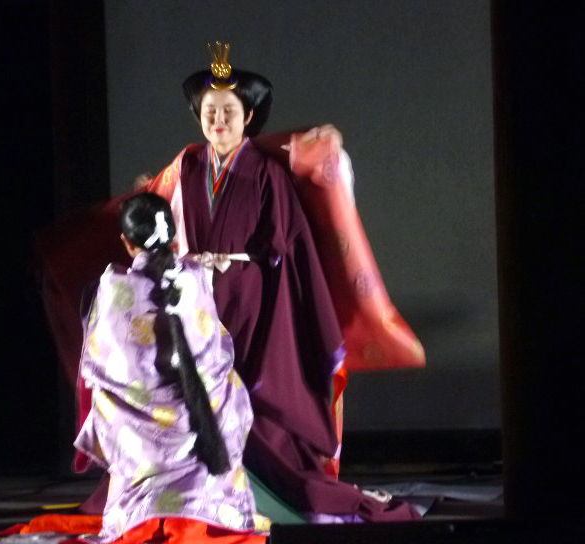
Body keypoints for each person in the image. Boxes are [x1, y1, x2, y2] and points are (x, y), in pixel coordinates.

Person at [35, 43, 423, 524]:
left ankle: (256, 487)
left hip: (252, 299)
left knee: (249, 394)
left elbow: (283, 242)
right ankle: (190, 488)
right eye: (210, 113)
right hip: (194, 298)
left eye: (228, 112)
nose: (218, 121)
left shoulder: (265, 172)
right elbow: (153, 216)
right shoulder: (188, 165)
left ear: (249, 117)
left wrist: (235, 264)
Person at [74, 192, 266, 543]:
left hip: (141, 439)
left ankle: (137, 511)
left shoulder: (114, 285)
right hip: (205, 421)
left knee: (106, 396)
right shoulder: (195, 277)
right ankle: (212, 505)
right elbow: (216, 348)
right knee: (227, 388)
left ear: (126, 242)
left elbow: (104, 361)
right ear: (172, 236)